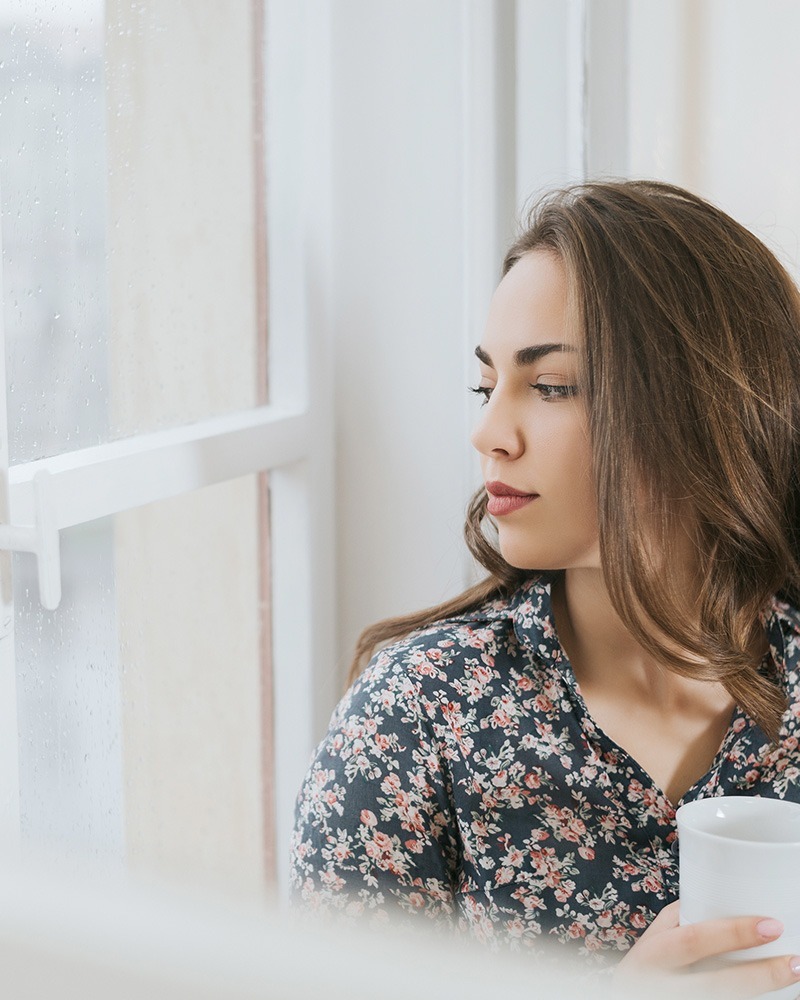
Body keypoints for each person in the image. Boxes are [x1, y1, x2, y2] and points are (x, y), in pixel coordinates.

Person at [289, 180, 800, 996]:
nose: (489, 431)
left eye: (552, 385)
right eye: (486, 384)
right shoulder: (417, 722)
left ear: (706, 410)